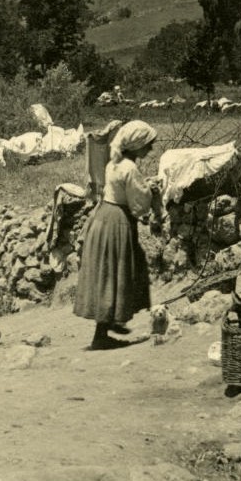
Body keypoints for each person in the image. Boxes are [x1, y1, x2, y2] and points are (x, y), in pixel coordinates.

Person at [74, 120, 162, 351]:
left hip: (103, 217)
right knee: (116, 272)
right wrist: (151, 192)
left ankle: (114, 320)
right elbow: (139, 206)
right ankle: (102, 334)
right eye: (147, 145)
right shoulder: (130, 168)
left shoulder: (114, 163)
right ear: (136, 146)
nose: (150, 149)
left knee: (109, 271)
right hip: (117, 222)